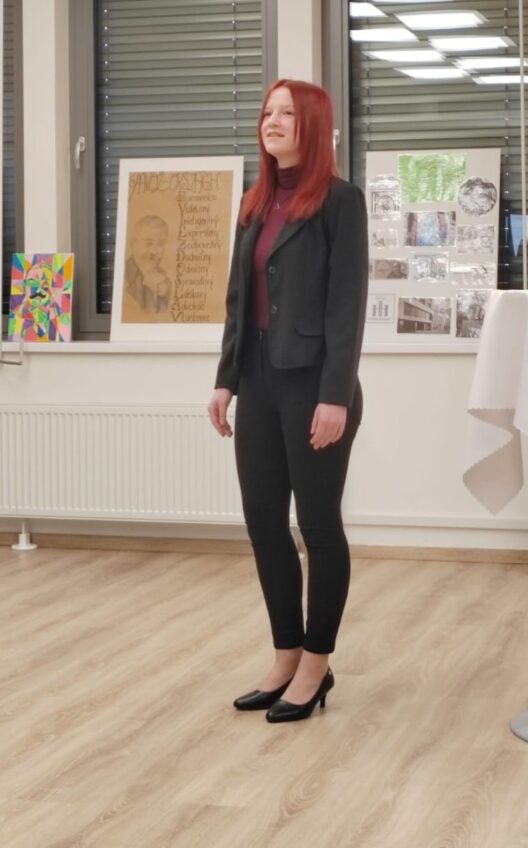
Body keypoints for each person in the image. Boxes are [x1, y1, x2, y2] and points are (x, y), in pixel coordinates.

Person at [208, 79, 368, 724]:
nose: (271, 122)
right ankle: (285, 655)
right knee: (264, 524)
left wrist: (335, 396)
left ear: (313, 125)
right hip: (259, 384)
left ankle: (316, 664)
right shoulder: (255, 204)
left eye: (285, 113)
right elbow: (237, 302)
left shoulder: (340, 201)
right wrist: (225, 379)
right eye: (266, 112)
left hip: (315, 388)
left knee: (319, 526)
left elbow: (346, 306)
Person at [124, 215, 172, 312]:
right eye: (148, 243)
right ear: (133, 244)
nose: (154, 251)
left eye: (160, 244)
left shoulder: (166, 282)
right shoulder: (123, 275)